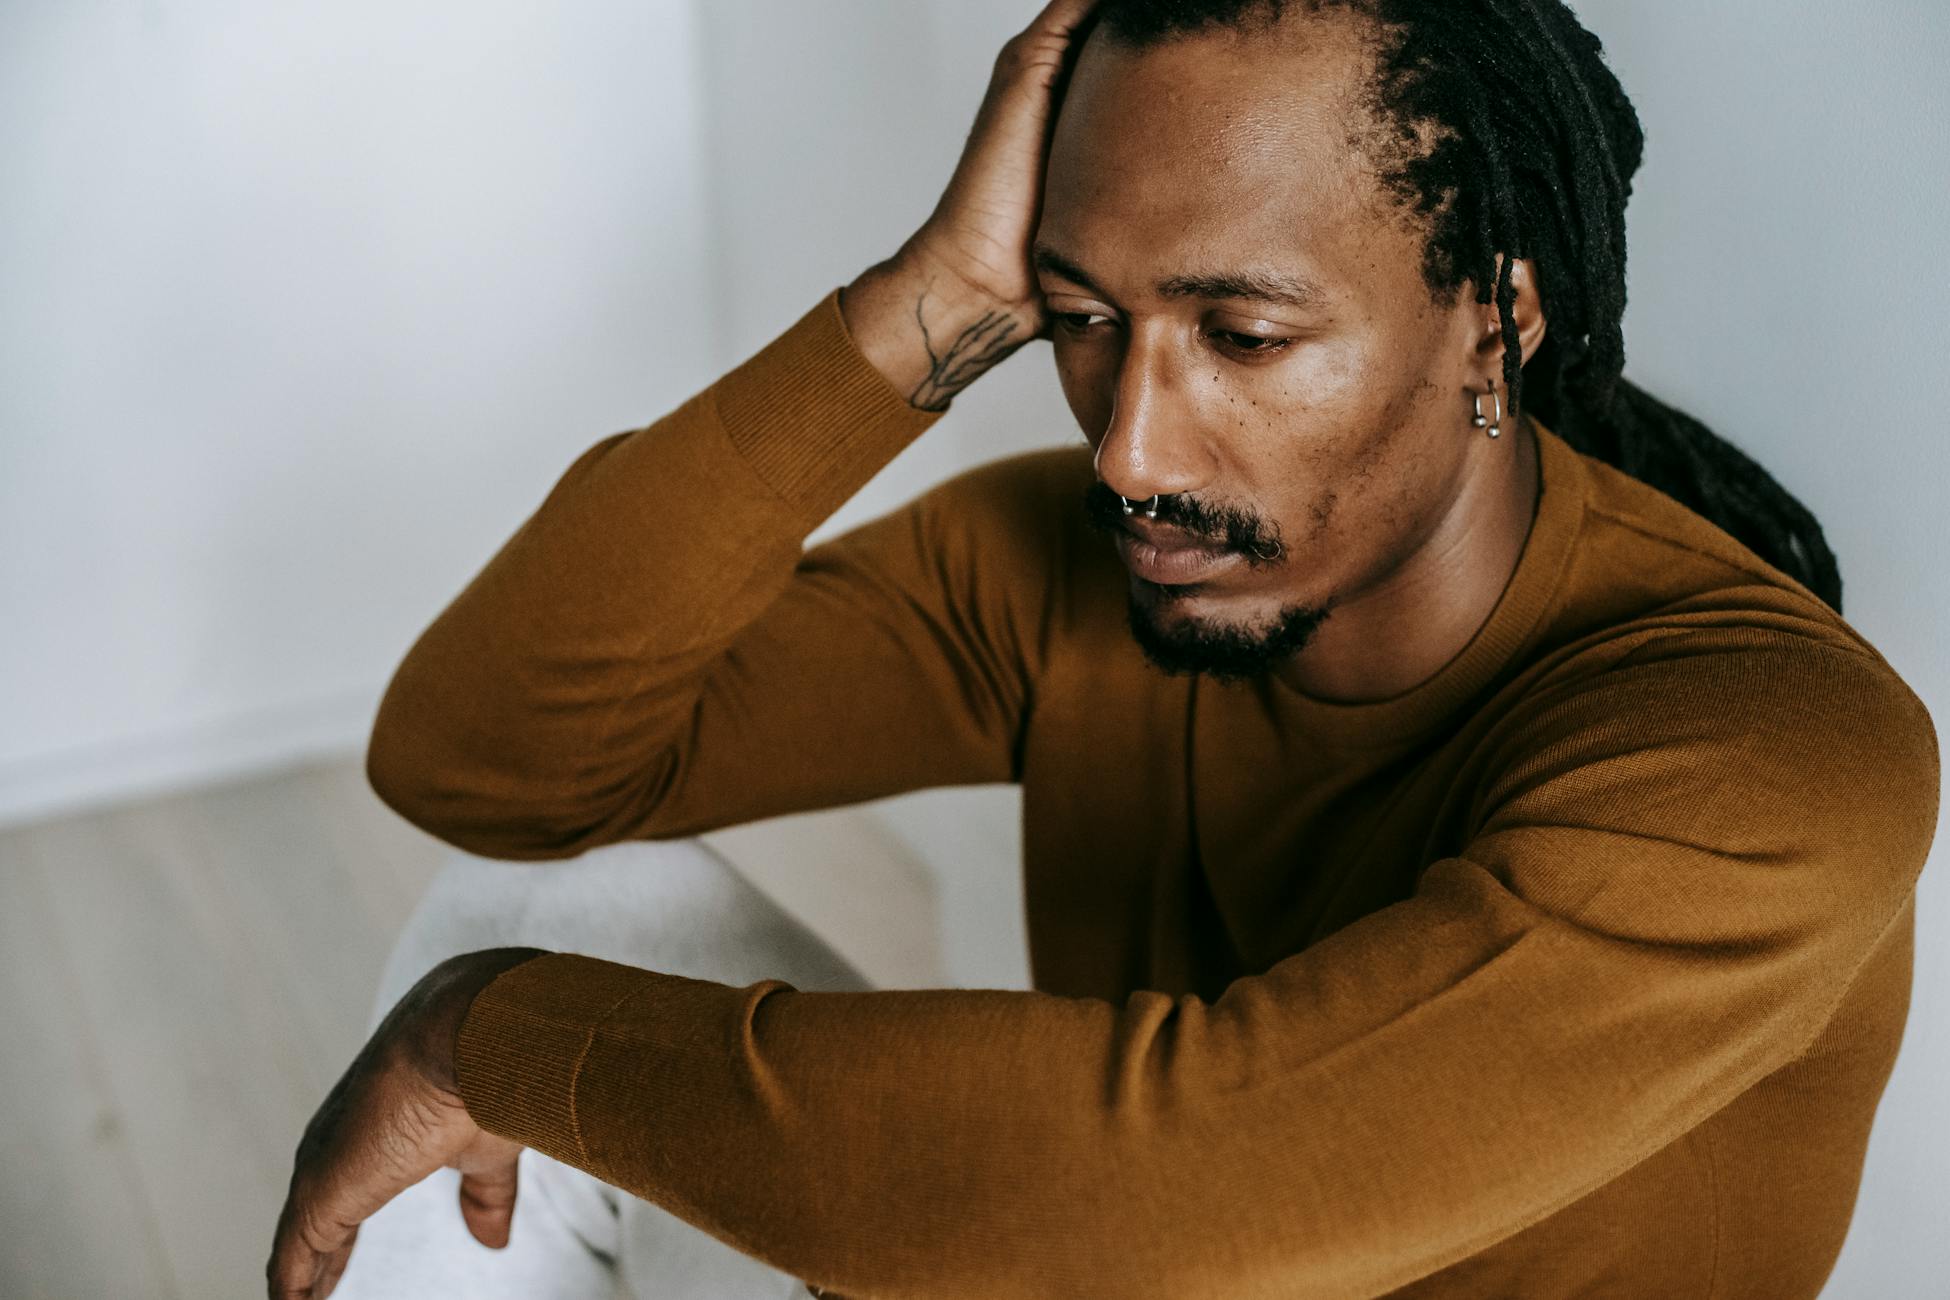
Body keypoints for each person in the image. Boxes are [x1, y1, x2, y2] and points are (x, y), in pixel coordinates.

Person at [267, 0, 1941, 1296]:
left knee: (517, 1010)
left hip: (1128, 1246)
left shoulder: (1770, 751)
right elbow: (487, 766)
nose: (1129, 449)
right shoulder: (1095, 567)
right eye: (1080, 319)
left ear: (1489, 321)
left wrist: (489, 1040)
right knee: (536, 910)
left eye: (1241, 334)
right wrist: (930, 304)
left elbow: (1189, 1179)